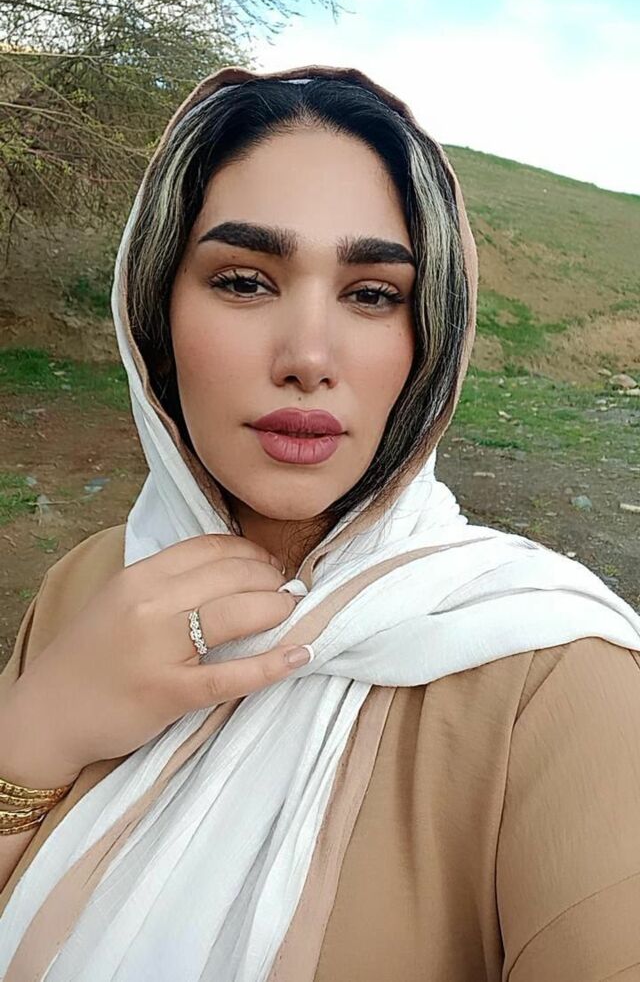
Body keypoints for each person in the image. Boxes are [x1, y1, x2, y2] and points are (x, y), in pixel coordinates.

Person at [0, 63, 639, 982]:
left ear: (432, 338)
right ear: (153, 317)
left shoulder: (556, 675)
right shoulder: (92, 585)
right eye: (244, 281)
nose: (308, 356)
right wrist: (33, 737)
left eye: (373, 294)